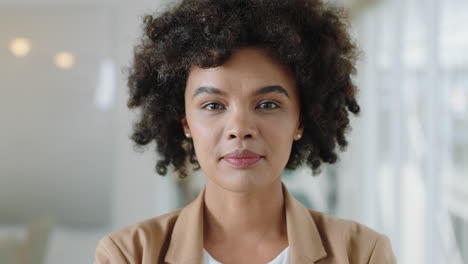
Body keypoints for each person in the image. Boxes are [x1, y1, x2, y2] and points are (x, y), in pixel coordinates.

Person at [94, 0, 397, 263]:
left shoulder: (362, 254)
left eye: (267, 104)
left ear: (301, 120)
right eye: (213, 105)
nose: (240, 129)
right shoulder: (128, 255)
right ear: (184, 121)